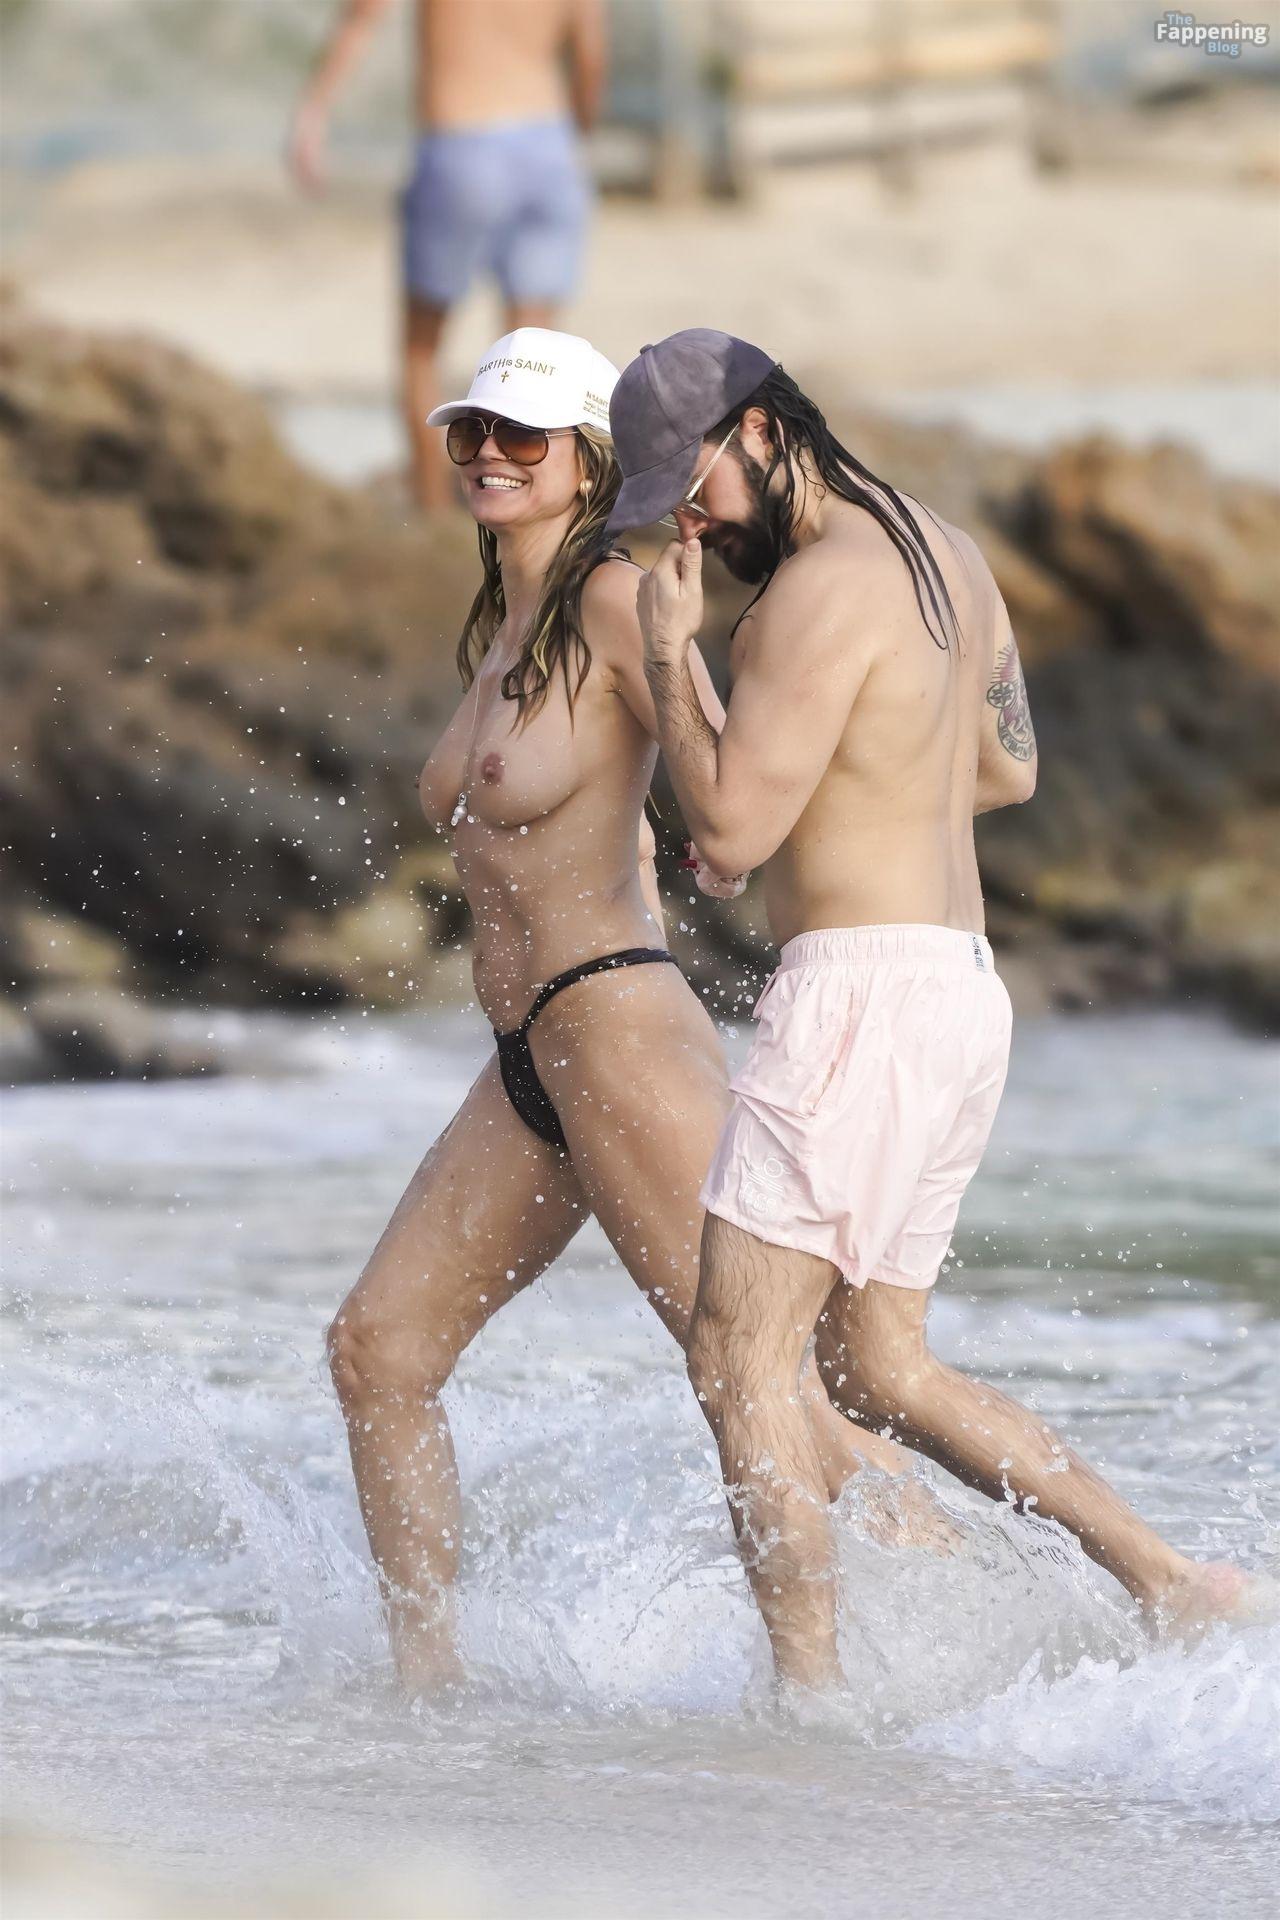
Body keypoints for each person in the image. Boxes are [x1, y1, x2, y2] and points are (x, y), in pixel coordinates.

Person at [607, 327, 1267, 1694]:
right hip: (957, 988)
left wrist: (674, 656)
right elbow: (1008, 766)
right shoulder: (943, 550)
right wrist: (854, 792)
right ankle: (1173, 1585)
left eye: (695, 487)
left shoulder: (806, 597)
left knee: (738, 1356)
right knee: (879, 1369)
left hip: (859, 998)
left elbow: (726, 835)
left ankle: (806, 1704)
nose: (689, 524)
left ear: (762, 429)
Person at [325, 327, 932, 1694]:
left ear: (590, 461)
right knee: (377, 1352)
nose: (487, 453)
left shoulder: (614, 598)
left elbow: (728, 773)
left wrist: (762, 849)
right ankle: (426, 1699)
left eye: (520, 435)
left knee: (761, 1389)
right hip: (528, 1061)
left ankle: (967, 1621)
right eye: (470, 430)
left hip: (616, 1031)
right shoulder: (506, 625)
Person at [289, 0, 604, 511]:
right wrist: (576, 135)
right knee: (532, 360)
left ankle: (432, 517)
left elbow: (363, 16)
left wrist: (313, 112)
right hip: (549, 144)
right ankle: (527, 516)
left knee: (421, 351)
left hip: (462, 138)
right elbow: (591, 55)